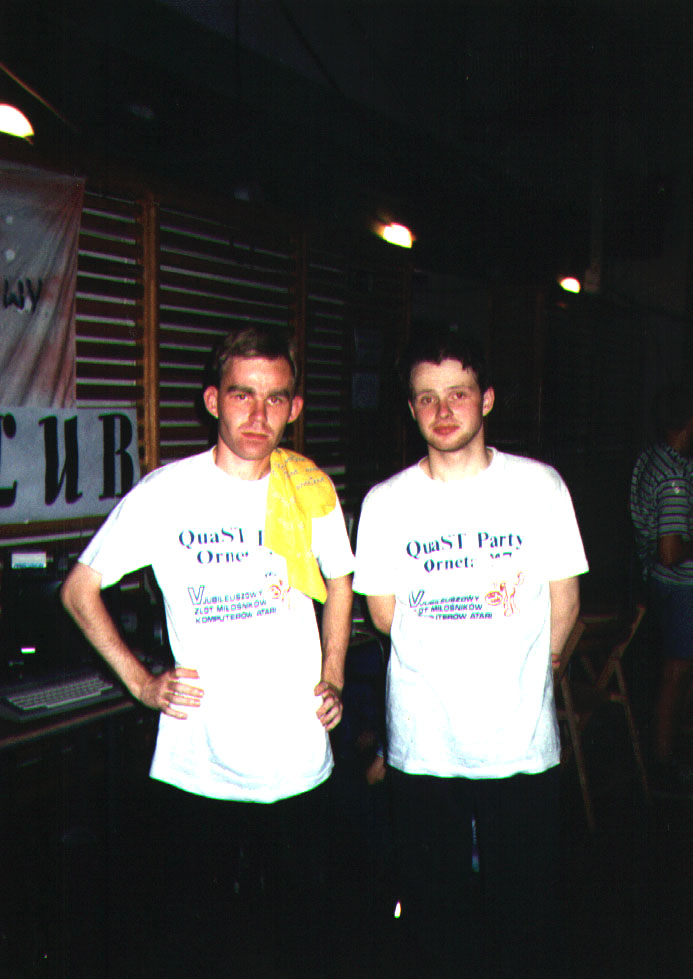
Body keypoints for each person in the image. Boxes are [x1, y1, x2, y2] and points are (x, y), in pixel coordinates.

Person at [61, 324, 354, 975]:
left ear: (294, 408)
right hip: (200, 761)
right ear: (213, 400)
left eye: (275, 398)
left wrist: (333, 673)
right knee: (201, 945)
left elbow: (339, 580)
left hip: (296, 755)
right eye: (242, 394)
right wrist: (142, 683)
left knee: (301, 942)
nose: (258, 415)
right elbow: (79, 591)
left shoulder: (309, 489)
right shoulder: (167, 493)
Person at [353, 329, 588, 978]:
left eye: (457, 393)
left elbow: (565, 604)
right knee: (436, 923)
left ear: (486, 399)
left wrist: (527, 673)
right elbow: (383, 615)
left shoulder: (539, 487)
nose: (443, 410)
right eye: (426, 397)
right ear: (410, 409)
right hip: (425, 745)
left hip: (520, 743)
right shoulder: (385, 502)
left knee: (527, 921)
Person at [630, 384, 693, 786]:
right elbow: (670, 551)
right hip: (678, 585)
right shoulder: (673, 477)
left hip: (659, 584)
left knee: (678, 670)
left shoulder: (655, 458)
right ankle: (663, 763)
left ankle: (671, 751)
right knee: (676, 672)